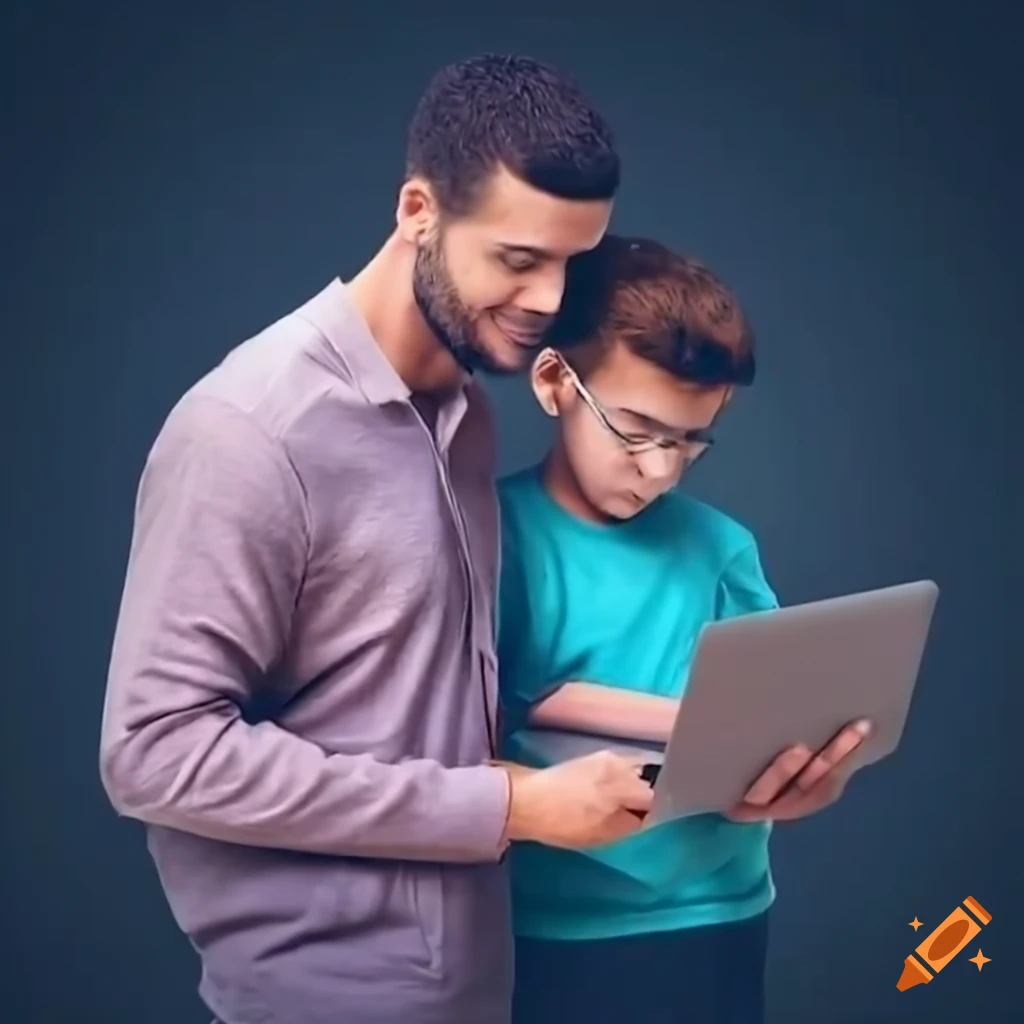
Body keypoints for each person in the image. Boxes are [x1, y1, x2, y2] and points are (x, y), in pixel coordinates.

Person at [99, 55, 656, 1024]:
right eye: (518, 259)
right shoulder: (250, 430)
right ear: (417, 211)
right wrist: (510, 806)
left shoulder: (466, 412)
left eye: (573, 261)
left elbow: (416, 702)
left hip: (472, 988)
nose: (548, 298)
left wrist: (704, 758)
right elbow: (153, 750)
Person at [496, 235, 871, 1024]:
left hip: (720, 915)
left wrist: (808, 779)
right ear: (555, 380)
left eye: (690, 442)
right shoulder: (486, 538)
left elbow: (780, 721)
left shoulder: (720, 548)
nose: (661, 471)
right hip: (549, 928)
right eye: (636, 431)